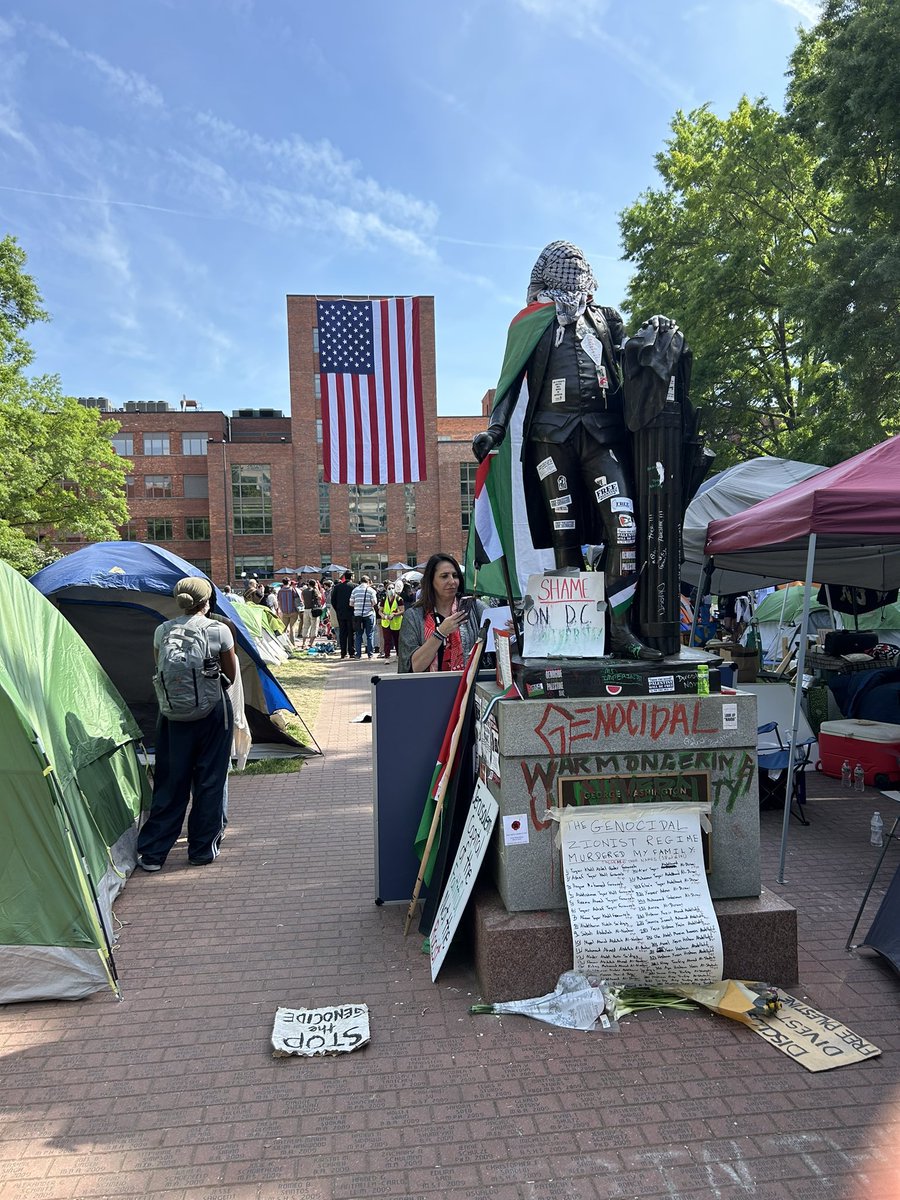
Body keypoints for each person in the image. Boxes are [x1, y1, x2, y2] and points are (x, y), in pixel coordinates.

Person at [471, 239, 670, 662]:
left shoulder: (606, 318)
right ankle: (575, 635)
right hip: (550, 439)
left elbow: (628, 365)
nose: (574, 267)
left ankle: (618, 630)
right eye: (565, 262)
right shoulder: (531, 323)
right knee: (565, 535)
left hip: (601, 435)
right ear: (545, 271)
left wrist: (654, 336)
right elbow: (509, 381)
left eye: (579, 261)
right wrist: (495, 429)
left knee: (625, 526)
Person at [136, 577, 237, 871]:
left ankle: (153, 853)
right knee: (209, 780)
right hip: (213, 712)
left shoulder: (162, 631)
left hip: (171, 715)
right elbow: (229, 674)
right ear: (207, 602)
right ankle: (201, 850)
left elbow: (159, 668)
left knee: (170, 781)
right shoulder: (219, 630)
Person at [398, 553, 486, 674]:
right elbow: (414, 667)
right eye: (444, 576)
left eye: (455, 576)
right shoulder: (413, 616)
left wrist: (510, 630)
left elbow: (501, 636)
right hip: (429, 689)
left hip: (467, 689)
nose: (452, 581)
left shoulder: (474, 607)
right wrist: (440, 633)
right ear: (431, 580)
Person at [350, 575, 378, 659]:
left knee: (358, 635)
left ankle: (358, 654)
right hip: (368, 614)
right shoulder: (371, 590)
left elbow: (351, 603)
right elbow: (374, 602)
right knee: (369, 634)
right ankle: (370, 654)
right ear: (368, 581)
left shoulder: (355, 590)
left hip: (358, 615)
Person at [330, 571, 356, 659]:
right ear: (352, 577)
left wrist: (337, 609)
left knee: (342, 632)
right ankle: (351, 651)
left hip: (340, 612)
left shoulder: (337, 587)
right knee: (351, 633)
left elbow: (333, 600)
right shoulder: (354, 587)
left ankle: (343, 652)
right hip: (351, 612)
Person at [378, 582, 405, 660]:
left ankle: (398, 655)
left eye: (393, 588)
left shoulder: (399, 599)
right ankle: (387, 656)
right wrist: (383, 616)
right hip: (386, 623)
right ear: (386, 590)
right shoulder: (384, 599)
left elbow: (402, 610)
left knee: (397, 640)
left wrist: (394, 614)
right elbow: (380, 611)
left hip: (396, 623)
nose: (391, 590)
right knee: (387, 640)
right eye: (389, 588)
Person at [299, 577, 324, 648]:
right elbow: (320, 598)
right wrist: (317, 589)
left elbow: (303, 599)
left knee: (306, 626)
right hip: (313, 610)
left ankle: (303, 643)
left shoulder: (304, 591)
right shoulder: (314, 591)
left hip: (306, 609)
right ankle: (310, 643)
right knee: (314, 626)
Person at [277, 577, 301, 644]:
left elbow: (279, 601)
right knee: (292, 628)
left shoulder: (280, 591)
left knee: (283, 628)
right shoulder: (292, 590)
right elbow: (297, 600)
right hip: (293, 611)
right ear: (289, 582)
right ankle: (292, 643)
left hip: (284, 611)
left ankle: (282, 643)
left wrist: (281, 609)